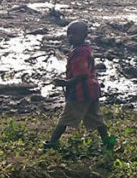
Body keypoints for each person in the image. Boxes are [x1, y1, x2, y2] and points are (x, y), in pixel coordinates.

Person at [44, 21, 114, 151]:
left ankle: (52, 143)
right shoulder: (85, 49)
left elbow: (82, 74)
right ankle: (107, 141)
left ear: (84, 35)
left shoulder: (80, 52)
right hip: (91, 90)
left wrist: (66, 83)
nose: (70, 37)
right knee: (96, 118)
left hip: (81, 91)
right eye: (68, 34)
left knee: (66, 117)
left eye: (74, 34)